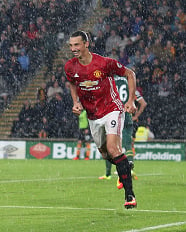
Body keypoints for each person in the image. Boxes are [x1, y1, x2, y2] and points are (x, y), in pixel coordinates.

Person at [65, 31, 137, 209]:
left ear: (86, 44)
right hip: (93, 115)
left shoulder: (104, 63)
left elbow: (130, 74)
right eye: (71, 45)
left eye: (77, 45)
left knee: (113, 148)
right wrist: (75, 102)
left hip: (112, 109)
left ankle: (130, 196)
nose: (73, 49)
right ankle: (124, 167)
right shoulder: (70, 67)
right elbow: (72, 83)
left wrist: (130, 100)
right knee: (105, 154)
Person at [99, 77, 147, 188]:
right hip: (127, 116)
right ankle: (129, 168)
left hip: (113, 115)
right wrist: (136, 116)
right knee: (127, 145)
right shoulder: (130, 84)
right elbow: (143, 103)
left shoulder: (110, 83)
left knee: (110, 145)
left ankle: (108, 173)